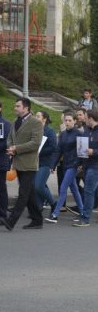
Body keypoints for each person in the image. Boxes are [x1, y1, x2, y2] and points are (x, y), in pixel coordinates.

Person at [0, 98, 43, 231]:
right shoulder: (15, 121)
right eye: (15, 106)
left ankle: (11, 221)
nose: (15, 108)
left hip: (29, 164)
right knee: (29, 193)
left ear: (26, 108)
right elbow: (10, 138)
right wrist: (10, 147)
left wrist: (16, 148)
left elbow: (35, 143)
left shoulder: (35, 123)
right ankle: (37, 220)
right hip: (18, 162)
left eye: (18, 106)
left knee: (23, 193)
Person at [73, 109, 98, 227]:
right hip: (86, 164)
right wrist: (80, 161)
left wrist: (94, 152)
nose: (83, 119)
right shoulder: (87, 130)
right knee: (94, 190)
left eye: (85, 117)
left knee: (88, 190)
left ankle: (85, 218)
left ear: (90, 119)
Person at [46, 111, 85, 224]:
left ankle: (55, 215)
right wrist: (53, 165)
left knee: (63, 188)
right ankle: (82, 213)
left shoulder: (79, 133)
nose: (67, 122)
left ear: (75, 121)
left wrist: (81, 164)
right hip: (65, 164)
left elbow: (83, 151)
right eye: (66, 120)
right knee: (74, 189)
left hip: (74, 165)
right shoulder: (63, 134)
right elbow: (58, 151)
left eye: (69, 120)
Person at [33, 111, 57, 214]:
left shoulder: (50, 131)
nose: (35, 117)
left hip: (45, 162)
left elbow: (53, 147)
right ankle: (38, 208)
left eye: (38, 116)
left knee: (39, 185)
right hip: (34, 162)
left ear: (44, 119)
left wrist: (39, 151)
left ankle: (53, 203)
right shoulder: (34, 130)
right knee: (35, 186)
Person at [0, 102, 11, 219]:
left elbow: (5, 143)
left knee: (1, 188)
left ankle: (3, 214)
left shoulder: (4, 124)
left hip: (1, 161)